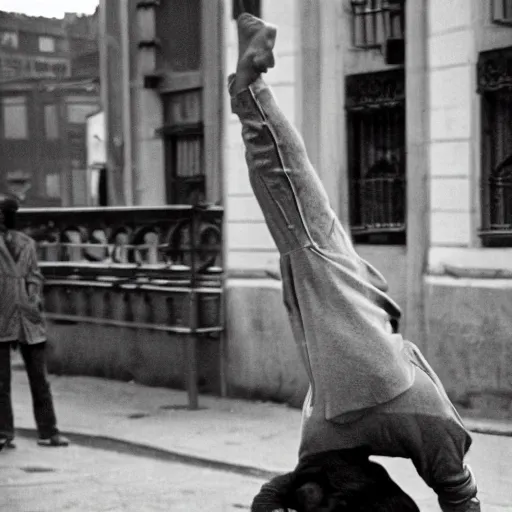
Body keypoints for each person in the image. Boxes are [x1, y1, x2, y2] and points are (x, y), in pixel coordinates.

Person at [229, 13, 480, 512]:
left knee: (305, 230)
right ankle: (250, 89)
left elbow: (277, 492)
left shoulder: (329, 433)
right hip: (378, 384)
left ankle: (250, 89)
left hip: (352, 398)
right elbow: (460, 494)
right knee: (306, 232)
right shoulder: (426, 419)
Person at [0, 193, 69, 451]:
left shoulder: (26, 243)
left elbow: (34, 274)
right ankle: (3, 432)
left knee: (39, 378)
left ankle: (48, 431)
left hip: (27, 316)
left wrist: (33, 293)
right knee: (0, 381)